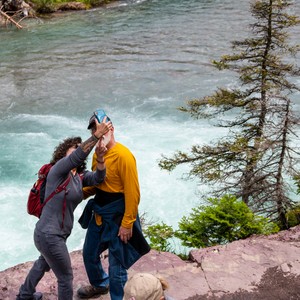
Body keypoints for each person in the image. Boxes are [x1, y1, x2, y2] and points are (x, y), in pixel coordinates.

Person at [16, 117, 112, 300]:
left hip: (51, 235)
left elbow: (99, 179)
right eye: (74, 146)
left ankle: (25, 294)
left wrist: (100, 159)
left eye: (79, 146)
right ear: (64, 152)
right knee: (66, 278)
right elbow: (78, 156)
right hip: (49, 235)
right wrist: (96, 136)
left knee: (43, 263)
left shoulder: (78, 177)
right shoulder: (57, 171)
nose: (78, 149)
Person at [77, 109, 150, 300]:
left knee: (117, 266)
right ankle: (101, 284)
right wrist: (75, 194)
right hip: (100, 211)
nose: (98, 134)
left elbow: (133, 193)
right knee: (89, 253)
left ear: (111, 128)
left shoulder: (124, 156)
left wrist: (127, 223)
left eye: (101, 128)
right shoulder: (97, 155)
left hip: (118, 215)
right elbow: (97, 184)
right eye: (95, 130)